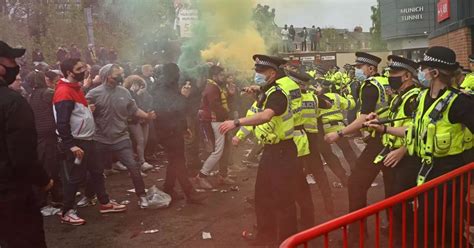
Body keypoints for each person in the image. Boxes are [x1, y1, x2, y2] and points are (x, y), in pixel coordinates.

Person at [366, 46, 474, 247]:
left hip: (449, 176)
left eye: (424, 69)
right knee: (436, 228)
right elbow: (415, 132)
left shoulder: (460, 102)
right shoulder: (424, 98)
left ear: (434, 73)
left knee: (438, 228)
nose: (420, 73)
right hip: (426, 170)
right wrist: (384, 129)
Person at [220, 55, 300, 246]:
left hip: (281, 152)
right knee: (264, 196)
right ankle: (266, 236)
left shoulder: (278, 93)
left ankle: (288, 242)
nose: (256, 76)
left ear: (272, 73)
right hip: (275, 151)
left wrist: (236, 122)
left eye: (260, 73)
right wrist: (258, 90)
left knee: (283, 200)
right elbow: (268, 92)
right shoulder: (279, 86)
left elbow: (266, 115)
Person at [325, 52, 394, 242]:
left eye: (359, 67)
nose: (356, 71)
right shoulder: (385, 82)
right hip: (390, 137)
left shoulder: (370, 86)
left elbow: (364, 117)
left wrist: (339, 133)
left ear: (371, 69)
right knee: (391, 185)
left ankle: (357, 234)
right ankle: (394, 226)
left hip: (380, 140)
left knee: (356, 183)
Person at [54, 59, 126, 225]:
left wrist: (87, 111)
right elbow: (62, 122)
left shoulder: (75, 88)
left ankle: (104, 202)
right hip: (77, 142)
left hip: (88, 139)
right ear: (69, 72)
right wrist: (70, 145)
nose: (83, 71)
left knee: (97, 171)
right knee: (75, 177)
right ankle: (67, 211)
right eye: (79, 69)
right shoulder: (64, 92)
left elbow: (76, 113)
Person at [0, 41, 53, 248]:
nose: (15, 64)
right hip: (11, 195)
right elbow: (23, 156)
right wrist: (43, 180)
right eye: (11, 59)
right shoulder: (12, 102)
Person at [86, 64, 155, 208]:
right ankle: (89, 195)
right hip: (100, 139)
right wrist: (87, 109)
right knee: (96, 170)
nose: (120, 77)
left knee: (133, 167)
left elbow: (134, 110)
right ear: (107, 76)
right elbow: (81, 109)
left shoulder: (124, 92)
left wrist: (147, 116)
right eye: (117, 74)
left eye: (121, 74)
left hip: (121, 138)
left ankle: (142, 196)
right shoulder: (94, 93)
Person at [151, 63, 207, 203]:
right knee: (179, 161)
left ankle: (169, 188)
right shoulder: (161, 89)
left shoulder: (170, 87)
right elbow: (170, 110)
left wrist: (183, 127)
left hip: (174, 129)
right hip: (167, 131)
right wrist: (183, 96)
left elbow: (180, 112)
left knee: (174, 161)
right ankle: (190, 193)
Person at [194, 65, 235, 189]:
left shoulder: (215, 86)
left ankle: (223, 175)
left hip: (219, 120)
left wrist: (231, 94)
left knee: (225, 148)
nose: (223, 77)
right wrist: (227, 116)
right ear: (214, 76)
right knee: (218, 150)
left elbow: (222, 102)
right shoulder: (212, 88)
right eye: (221, 75)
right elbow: (215, 106)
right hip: (215, 121)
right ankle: (201, 176)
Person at [27, 70, 63, 209]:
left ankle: (50, 198)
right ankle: (54, 198)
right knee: (52, 168)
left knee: (45, 166)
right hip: (48, 137)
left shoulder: (31, 96)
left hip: (38, 136)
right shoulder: (48, 93)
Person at [123, 75, 154, 172]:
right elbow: (133, 108)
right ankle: (141, 161)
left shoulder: (145, 94)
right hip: (134, 120)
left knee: (144, 140)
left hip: (145, 118)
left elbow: (149, 102)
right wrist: (136, 94)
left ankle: (140, 158)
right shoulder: (127, 93)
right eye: (137, 84)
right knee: (140, 140)